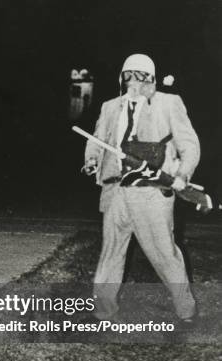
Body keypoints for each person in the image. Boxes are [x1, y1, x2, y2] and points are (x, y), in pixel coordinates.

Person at [84, 53, 200, 325]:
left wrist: (183, 173)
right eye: (129, 75)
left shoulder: (169, 104)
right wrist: (91, 160)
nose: (134, 81)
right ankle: (104, 311)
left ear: (152, 79)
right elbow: (97, 140)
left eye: (142, 75)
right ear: (122, 78)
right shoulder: (110, 107)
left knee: (164, 254)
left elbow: (190, 145)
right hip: (116, 193)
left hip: (151, 193)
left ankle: (185, 308)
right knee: (110, 254)